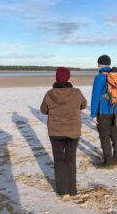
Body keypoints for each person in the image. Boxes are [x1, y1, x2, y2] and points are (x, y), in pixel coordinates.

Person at [40, 67, 87, 198]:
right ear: (68, 78)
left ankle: (64, 190)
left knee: (59, 160)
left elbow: (44, 110)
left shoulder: (50, 93)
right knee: (70, 159)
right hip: (73, 131)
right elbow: (83, 105)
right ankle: (72, 189)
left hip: (56, 132)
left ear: (56, 78)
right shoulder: (76, 93)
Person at [91, 55, 117, 168]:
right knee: (115, 135)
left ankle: (108, 161)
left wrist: (93, 114)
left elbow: (95, 97)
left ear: (99, 64)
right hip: (115, 111)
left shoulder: (99, 77)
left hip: (103, 112)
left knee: (104, 137)